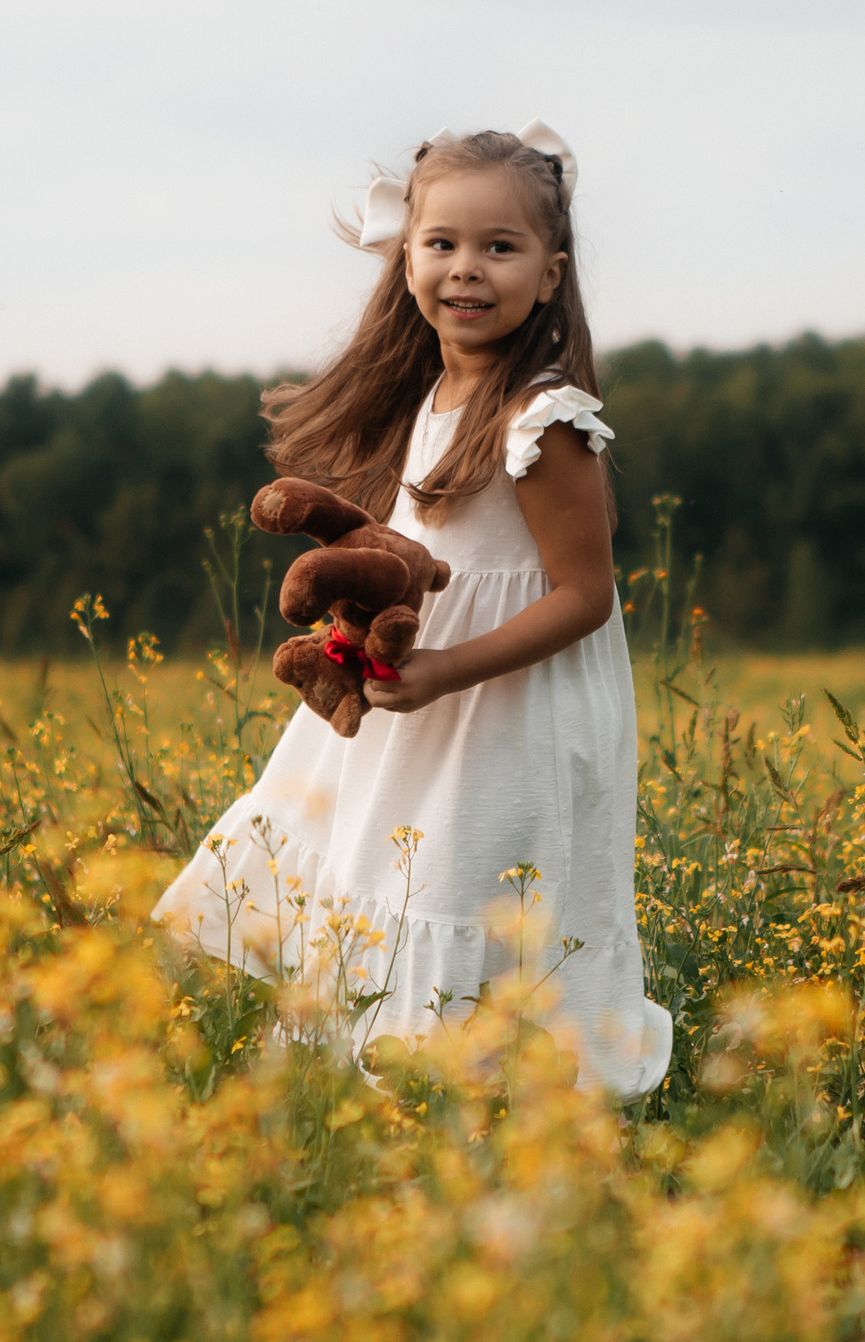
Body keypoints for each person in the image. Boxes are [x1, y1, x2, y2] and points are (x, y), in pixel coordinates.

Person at [152, 122, 671, 1097]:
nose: (465, 270)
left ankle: (502, 1100)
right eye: (441, 245)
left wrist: (443, 669)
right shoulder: (436, 395)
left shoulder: (544, 419)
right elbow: (431, 564)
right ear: (406, 259)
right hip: (422, 702)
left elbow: (585, 598)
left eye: (499, 248)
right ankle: (392, 1093)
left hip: (506, 703)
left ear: (551, 276)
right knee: (387, 875)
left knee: (473, 887)